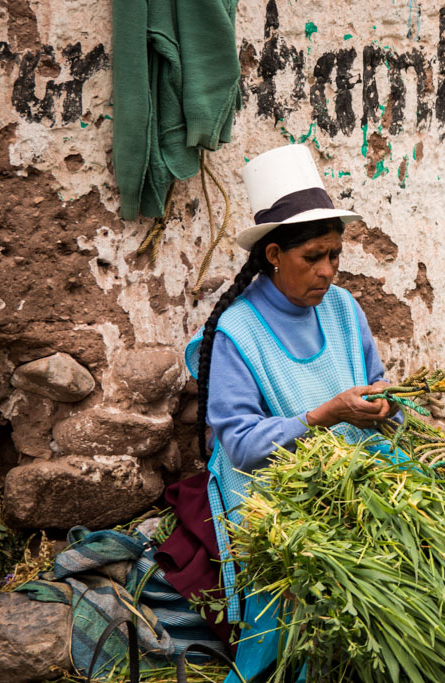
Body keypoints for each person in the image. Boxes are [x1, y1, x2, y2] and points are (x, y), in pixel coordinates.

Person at [174, 143, 403, 681]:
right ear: (274, 254)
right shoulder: (238, 331)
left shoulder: (344, 309)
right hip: (274, 495)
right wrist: (324, 416)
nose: (327, 271)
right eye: (312, 257)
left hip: (356, 474)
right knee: (327, 596)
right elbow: (244, 447)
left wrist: (388, 407)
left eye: (335, 255)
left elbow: (379, 391)